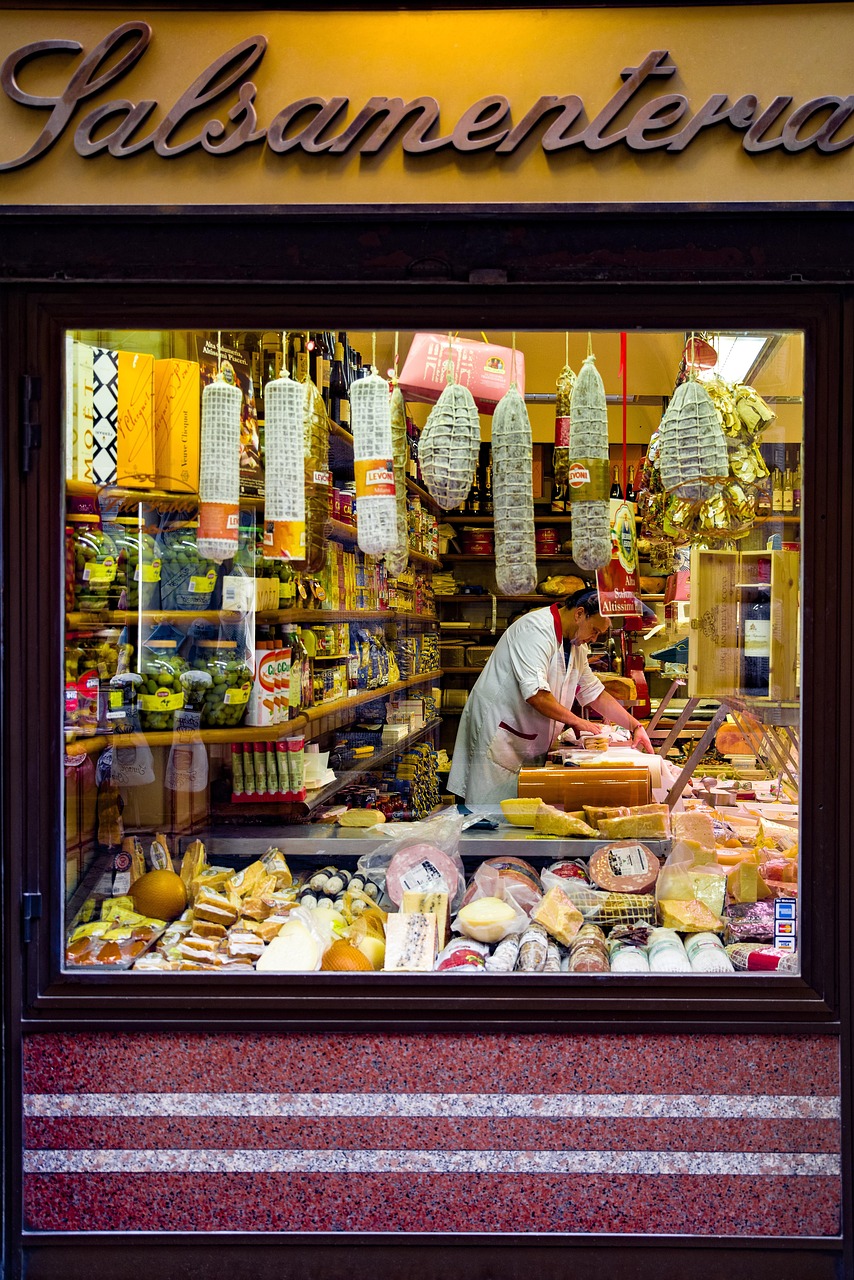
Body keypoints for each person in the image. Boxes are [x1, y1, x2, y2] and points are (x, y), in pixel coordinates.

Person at [447, 587, 654, 806]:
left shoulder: (576, 645)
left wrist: (635, 726)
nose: (594, 638)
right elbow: (537, 695)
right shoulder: (534, 630)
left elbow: (593, 692)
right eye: (594, 630)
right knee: (488, 814)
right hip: (500, 734)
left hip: (525, 737)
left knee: (515, 813)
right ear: (579, 614)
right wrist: (576, 720)